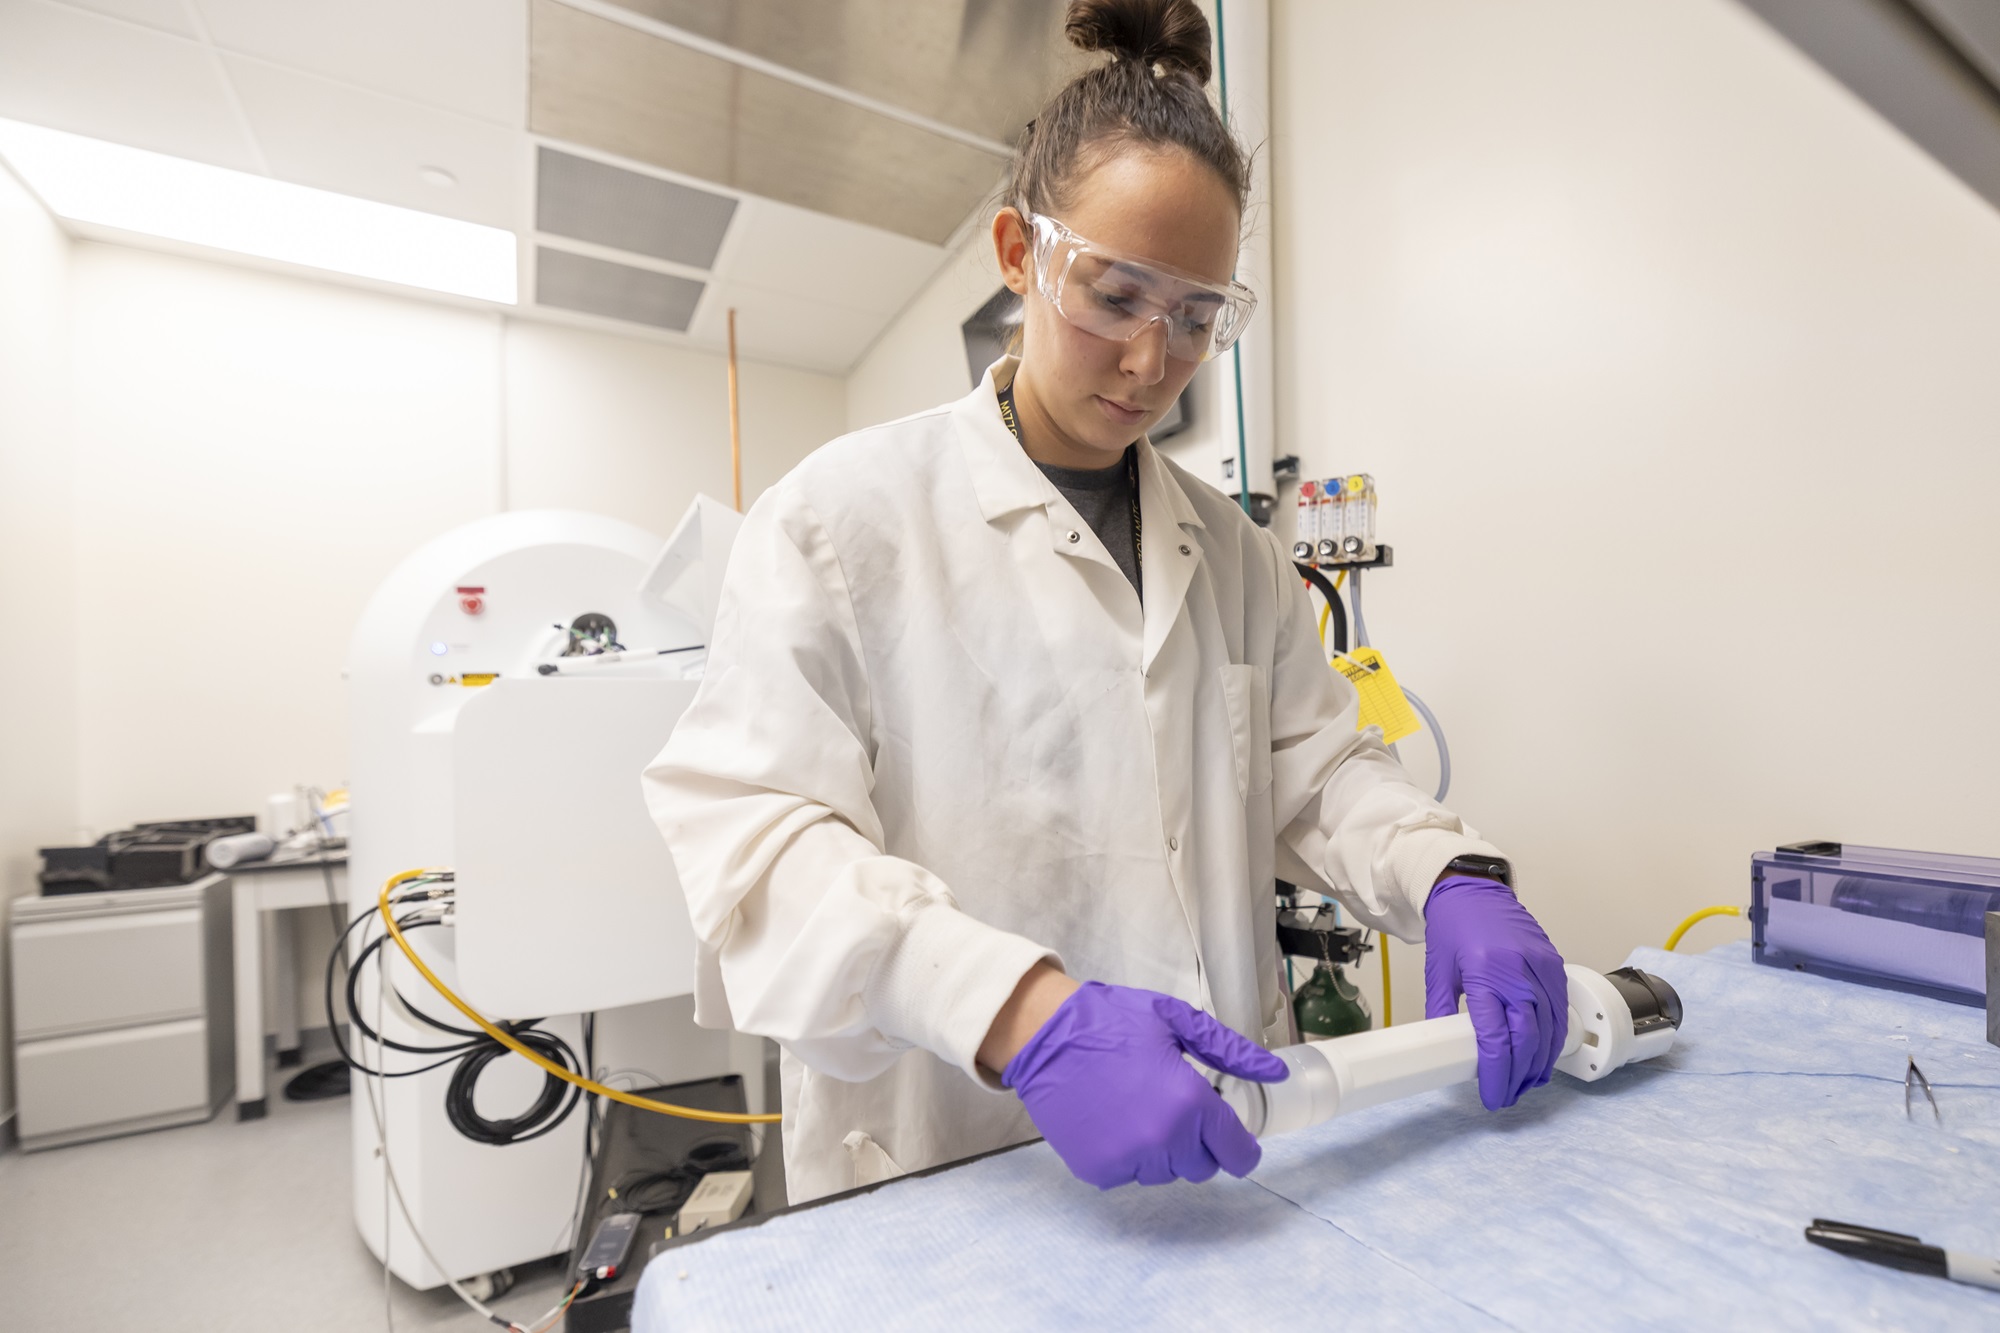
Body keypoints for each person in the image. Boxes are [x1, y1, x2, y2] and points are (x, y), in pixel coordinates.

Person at [644, 0, 1566, 1205]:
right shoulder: (840, 517)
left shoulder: (1235, 556)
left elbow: (1318, 774)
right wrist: (1021, 1014)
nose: (1150, 362)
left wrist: (1450, 875)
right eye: (1117, 296)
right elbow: (758, 848)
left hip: (1229, 1138)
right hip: (957, 1162)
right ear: (1019, 254)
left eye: (1196, 318)